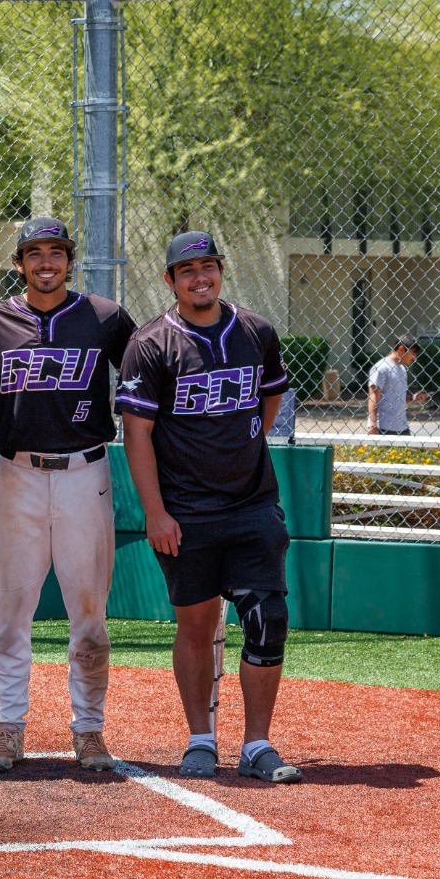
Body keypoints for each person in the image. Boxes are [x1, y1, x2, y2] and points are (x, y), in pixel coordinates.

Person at [116, 230, 300, 785]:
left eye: (209, 266)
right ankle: (200, 738)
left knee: (268, 621)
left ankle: (257, 744)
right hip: (185, 511)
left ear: (221, 271)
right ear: (170, 280)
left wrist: (239, 446)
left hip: (251, 503)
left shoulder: (255, 332)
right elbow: (137, 434)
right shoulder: (150, 345)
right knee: (196, 627)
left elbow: (270, 399)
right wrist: (155, 512)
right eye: (188, 270)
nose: (201, 277)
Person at [0, 217, 135, 774]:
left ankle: (89, 730)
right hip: (18, 473)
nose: (45, 263)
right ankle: (8, 727)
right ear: (18, 264)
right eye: (34, 254)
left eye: (56, 253)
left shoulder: (105, 318)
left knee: (89, 610)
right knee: (11, 610)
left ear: (69, 260)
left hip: (86, 472)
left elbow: (145, 377)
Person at [367, 336, 420, 436]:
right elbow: (373, 396)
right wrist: (372, 425)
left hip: (402, 427)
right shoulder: (382, 367)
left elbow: (396, 398)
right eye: (412, 353)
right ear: (401, 349)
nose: (414, 358)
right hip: (383, 427)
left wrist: (413, 398)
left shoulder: (402, 369)